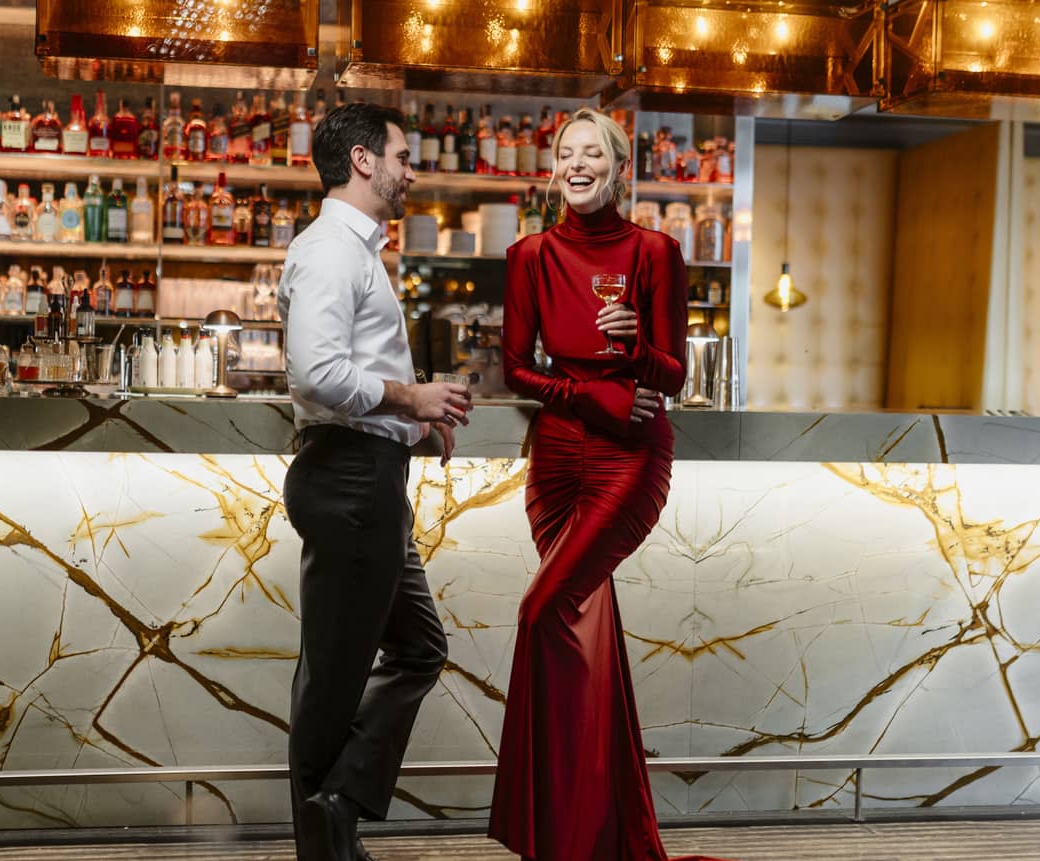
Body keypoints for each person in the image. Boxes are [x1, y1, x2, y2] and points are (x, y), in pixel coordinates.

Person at [489, 108, 721, 861]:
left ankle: (546, 835)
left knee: (540, 611)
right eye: (566, 152)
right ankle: (592, 834)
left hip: (630, 458)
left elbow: (675, 374)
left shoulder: (657, 250)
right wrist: (585, 393)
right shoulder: (530, 254)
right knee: (584, 644)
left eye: (594, 153)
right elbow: (514, 367)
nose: (577, 164)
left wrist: (636, 346)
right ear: (554, 166)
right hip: (557, 458)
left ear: (621, 168)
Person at [278, 101, 473, 861]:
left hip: (368, 478)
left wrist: (413, 423)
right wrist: (412, 398)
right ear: (364, 160)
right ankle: (326, 841)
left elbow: (349, 370)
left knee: (419, 647)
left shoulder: (356, 250)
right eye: (401, 154)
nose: (410, 168)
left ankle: (338, 808)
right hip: (348, 483)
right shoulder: (332, 248)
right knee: (330, 684)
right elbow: (317, 372)